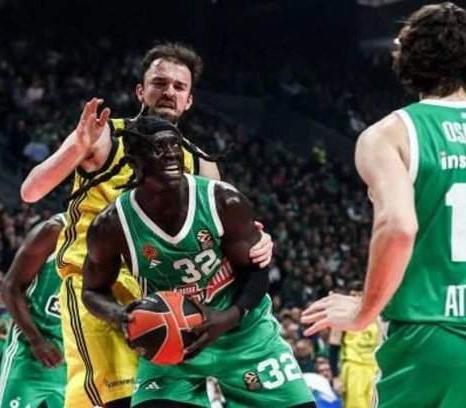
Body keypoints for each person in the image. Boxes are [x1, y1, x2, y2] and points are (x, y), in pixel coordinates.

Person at [302, 3, 466, 407]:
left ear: (406, 60)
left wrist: (365, 311)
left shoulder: (390, 134)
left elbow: (399, 227)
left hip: (431, 338)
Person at [18, 43, 273, 408]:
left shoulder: (201, 162)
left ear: (189, 101)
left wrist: (262, 243)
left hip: (165, 298)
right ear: (141, 90)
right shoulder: (104, 136)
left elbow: (231, 231)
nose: (169, 91)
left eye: (179, 86)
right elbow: (31, 191)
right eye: (159, 83)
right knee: (117, 402)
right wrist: (77, 147)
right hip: (98, 290)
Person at [81, 116, 314, 408]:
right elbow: (91, 291)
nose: (170, 154)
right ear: (132, 162)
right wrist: (118, 315)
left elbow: (256, 271)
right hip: (172, 342)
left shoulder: (222, 201)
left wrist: (230, 316)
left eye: (175, 145)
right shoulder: (112, 225)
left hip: (242, 332)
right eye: (157, 148)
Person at [0, 214, 67, 408]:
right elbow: (10, 288)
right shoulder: (55, 231)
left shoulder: (113, 238)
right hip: (31, 353)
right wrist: (36, 341)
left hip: (75, 358)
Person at [327, 282, 380, 408]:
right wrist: (335, 377)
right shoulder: (342, 317)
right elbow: (333, 347)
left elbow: (382, 344)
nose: (356, 298)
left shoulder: (378, 316)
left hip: (375, 368)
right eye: (353, 295)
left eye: (360, 295)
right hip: (353, 368)